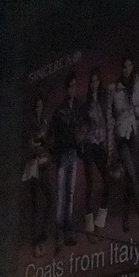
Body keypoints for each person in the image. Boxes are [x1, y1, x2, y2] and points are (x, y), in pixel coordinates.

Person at [107, 55, 139, 233]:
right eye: (124, 66)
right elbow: (111, 118)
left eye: (129, 66)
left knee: (129, 174)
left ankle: (125, 217)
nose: (126, 69)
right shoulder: (114, 89)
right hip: (120, 134)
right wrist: (110, 148)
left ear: (132, 67)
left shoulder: (136, 85)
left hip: (133, 131)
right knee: (131, 172)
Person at [50, 71, 82, 249]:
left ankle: (67, 233)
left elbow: (82, 127)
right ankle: (59, 236)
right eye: (70, 86)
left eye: (74, 86)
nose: (73, 89)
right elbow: (52, 136)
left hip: (73, 153)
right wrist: (56, 154)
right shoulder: (60, 110)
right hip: (63, 155)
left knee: (69, 195)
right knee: (61, 195)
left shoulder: (78, 106)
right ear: (66, 88)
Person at [81, 68, 111, 242]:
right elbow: (82, 127)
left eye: (96, 81)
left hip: (101, 145)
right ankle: (89, 226)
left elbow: (108, 122)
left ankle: (100, 221)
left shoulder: (104, 99)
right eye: (91, 81)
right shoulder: (86, 104)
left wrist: (109, 146)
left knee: (107, 180)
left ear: (99, 82)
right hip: (89, 146)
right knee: (90, 184)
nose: (94, 84)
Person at [22, 93, 53, 250]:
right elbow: (30, 144)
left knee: (49, 199)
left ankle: (43, 232)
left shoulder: (45, 122)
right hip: (34, 167)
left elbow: (46, 144)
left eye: (40, 105)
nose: (38, 108)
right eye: (36, 106)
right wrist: (37, 143)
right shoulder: (30, 124)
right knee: (36, 203)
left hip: (43, 165)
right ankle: (36, 239)